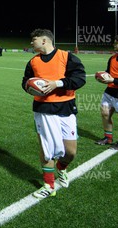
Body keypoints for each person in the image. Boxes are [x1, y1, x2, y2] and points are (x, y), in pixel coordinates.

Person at [22, 29, 86, 199]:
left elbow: (80, 78)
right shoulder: (33, 62)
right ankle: (48, 185)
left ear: (44, 40)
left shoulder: (67, 57)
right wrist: (31, 88)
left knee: (70, 152)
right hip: (43, 109)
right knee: (47, 149)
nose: (31, 43)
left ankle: (61, 168)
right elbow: (25, 81)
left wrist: (56, 83)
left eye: (34, 40)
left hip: (66, 107)